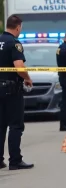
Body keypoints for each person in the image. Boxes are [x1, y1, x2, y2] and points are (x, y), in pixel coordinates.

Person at [0, 14, 34, 170]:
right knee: (15, 125)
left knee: (0, 125)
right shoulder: (14, 43)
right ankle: (15, 160)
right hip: (11, 90)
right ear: (18, 27)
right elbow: (19, 67)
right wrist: (27, 78)